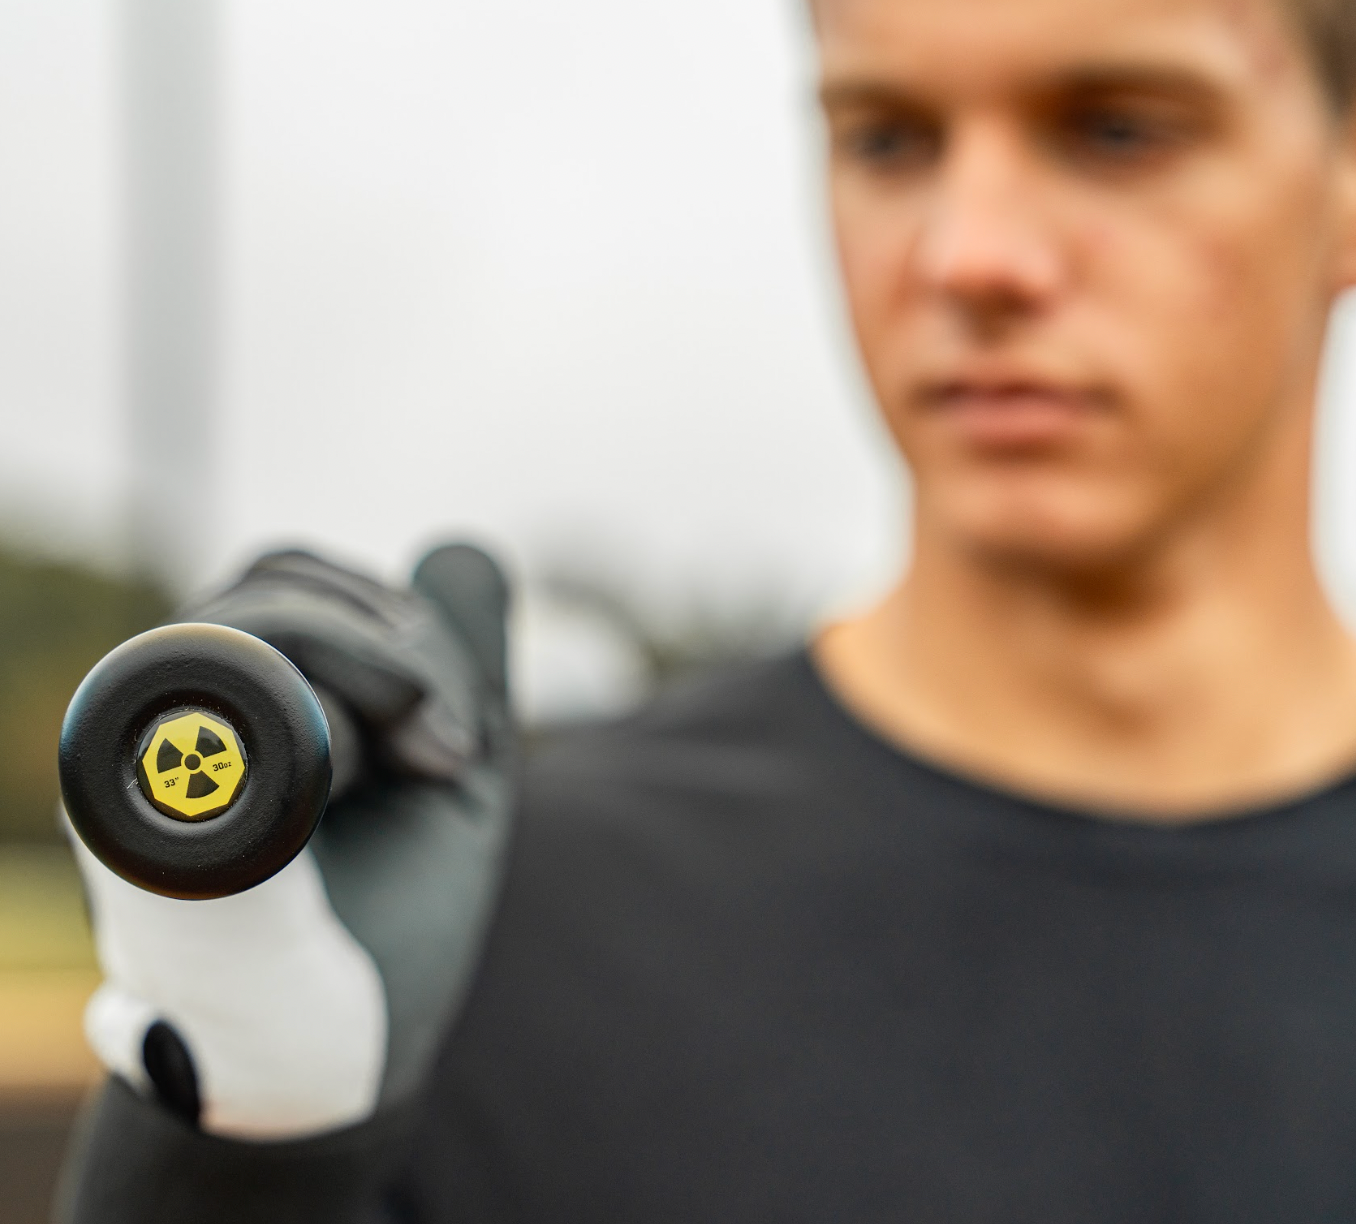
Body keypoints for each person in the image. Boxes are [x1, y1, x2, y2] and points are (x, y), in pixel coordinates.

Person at [57, 0, 1356, 1219]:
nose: (970, 256)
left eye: (1119, 131)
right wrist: (234, 1164)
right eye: (889, 139)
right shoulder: (490, 937)